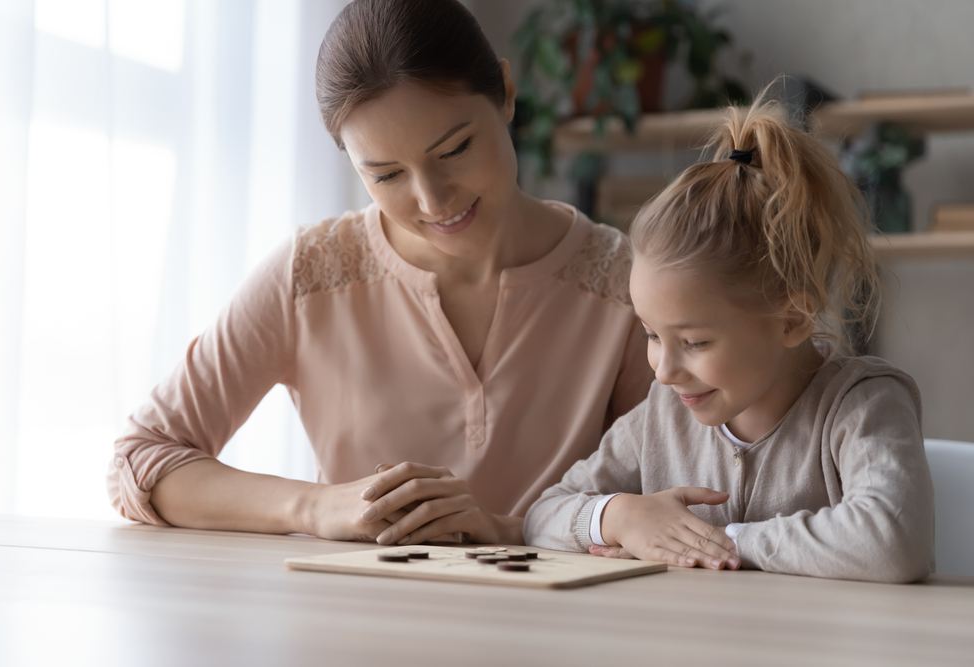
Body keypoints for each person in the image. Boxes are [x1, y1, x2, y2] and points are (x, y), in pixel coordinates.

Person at [106, 0, 653, 547]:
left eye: (455, 149)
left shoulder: (623, 283)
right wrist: (314, 506)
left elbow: (673, 501)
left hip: (562, 626)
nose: (433, 201)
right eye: (387, 174)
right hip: (349, 624)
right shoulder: (311, 273)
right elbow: (142, 459)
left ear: (506, 93)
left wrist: (506, 530)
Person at [523, 89, 935, 583]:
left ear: (792, 320)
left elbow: (892, 541)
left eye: (694, 342)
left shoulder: (862, 405)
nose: (663, 370)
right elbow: (541, 516)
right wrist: (618, 518)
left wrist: (725, 541)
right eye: (652, 335)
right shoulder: (661, 418)